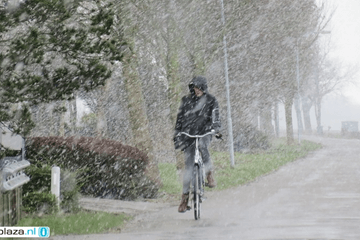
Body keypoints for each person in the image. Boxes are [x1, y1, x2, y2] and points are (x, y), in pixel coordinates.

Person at [173, 76, 221, 213]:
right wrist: (177, 133)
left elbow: (216, 116)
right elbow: (180, 118)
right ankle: (184, 198)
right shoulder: (186, 100)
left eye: (199, 87)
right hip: (188, 134)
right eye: (195, 87)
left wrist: (215, 128)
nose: (197, 90)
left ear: (204, 88)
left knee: (202, 146)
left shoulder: (211, 100)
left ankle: (209, 173)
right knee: (188, 168)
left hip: (205, 132)